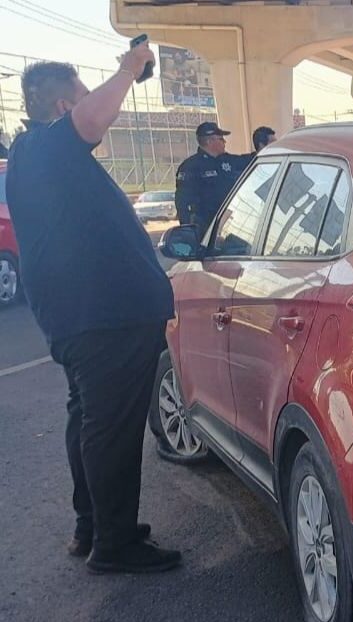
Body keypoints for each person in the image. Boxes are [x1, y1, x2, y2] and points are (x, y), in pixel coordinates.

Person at [4, 53, 180, 572]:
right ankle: (115, 544)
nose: (94, 106)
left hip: (92, 315)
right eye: (80, 95)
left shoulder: (43, 156)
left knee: (89, 419)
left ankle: (97, 526)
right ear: (63, 105)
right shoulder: (46, 144)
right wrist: (130, 69)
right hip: (104, 317)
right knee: (111, 429)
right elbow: (92, 118)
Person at [175, 121, 254, 231]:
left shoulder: (228, 160)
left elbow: (249, 160)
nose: (224, 142)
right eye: (221, 139)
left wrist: (265, 148)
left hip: (231, 223)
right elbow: (182, 201)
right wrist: (188, 229)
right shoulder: (191, 167)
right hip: (205, 227)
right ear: (209, 141)